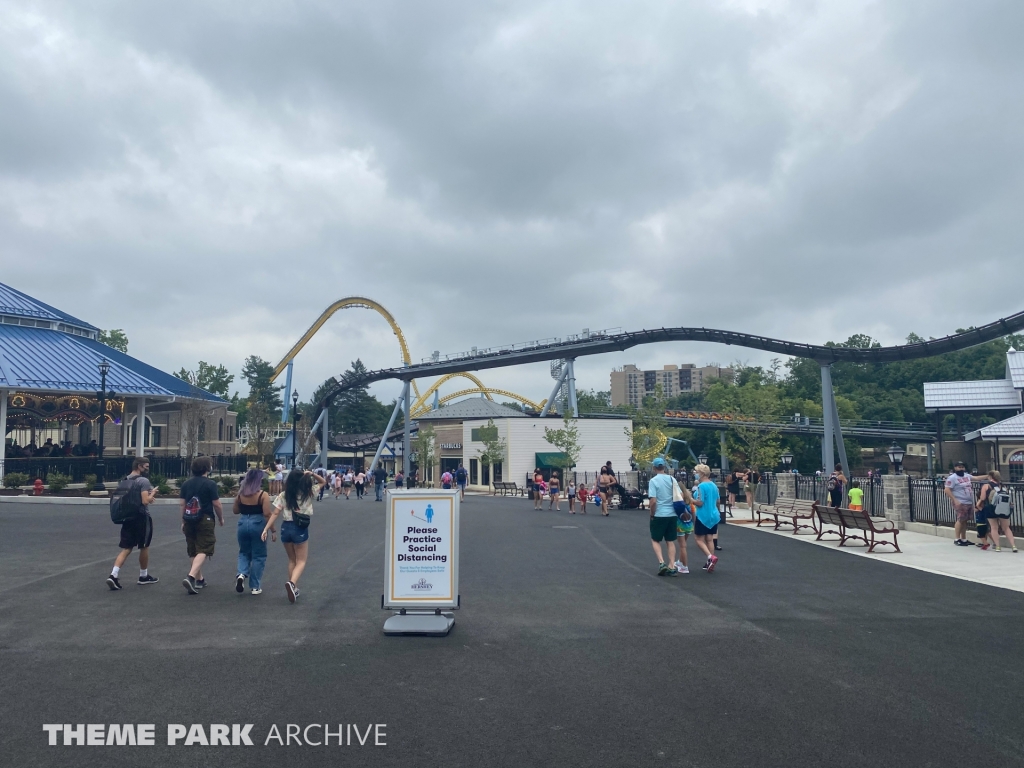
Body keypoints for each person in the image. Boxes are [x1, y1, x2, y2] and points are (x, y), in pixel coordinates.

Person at [264, 468, 327, 602]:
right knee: (302, 560)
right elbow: (323, 482)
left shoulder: (284, 495)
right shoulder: (308, 493)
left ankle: (294, 587)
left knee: (292, 560)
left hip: (285, 528)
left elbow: (275, 513)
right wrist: (311, 474)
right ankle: (292, 583)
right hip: (299, 528)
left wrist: (266, 529)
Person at [106, 457, 159, 590]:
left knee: (127, 547)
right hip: (141, 517)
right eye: (146, 466)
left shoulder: (125, 480)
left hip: (128, 517)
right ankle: (143, 576)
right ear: (139, 466)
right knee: (144, 546)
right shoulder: (144, 481)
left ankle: (113, 574)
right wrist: (152, 494)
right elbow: (145, 501)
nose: (147, 469)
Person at [179, 456, 224, 595]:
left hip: (189, 518)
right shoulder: (210, 484)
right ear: (207, 468)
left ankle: (200, 579)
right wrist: (221, 518)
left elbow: (182, 503)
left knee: (193, 549)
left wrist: (183, 520)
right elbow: (216, 504)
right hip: (204, 518)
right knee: (204, 547)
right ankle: (191, 576)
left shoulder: (186, 484)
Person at [233, 468, 275, 595]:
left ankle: (241, 574)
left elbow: (235, 511)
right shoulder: (263, 495)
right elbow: (267, 513)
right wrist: (273, 530)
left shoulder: (240, 495)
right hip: (258, 524)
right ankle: (255, 586)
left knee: (244, 552)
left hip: (242, 523)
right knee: (259, 555)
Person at [647, 458, 679, 576]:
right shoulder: (672, 479)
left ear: (654, 468)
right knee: (670, 540)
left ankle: (661, 562)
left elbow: (653, 501)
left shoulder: (653, 481)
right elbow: (679, 495)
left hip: (660, 514)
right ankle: (672, 565)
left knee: (655, 539)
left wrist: (652, 513)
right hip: (672, 514)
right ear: (664, 467)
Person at [944, 461, 984, 547]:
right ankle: (957, 539)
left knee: (965, 520)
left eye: (962, 467)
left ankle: (964, 538)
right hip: (960, 501)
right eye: (958, 467)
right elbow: (947, 489)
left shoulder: (967, 476)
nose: (960, 468)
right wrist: (955, 500)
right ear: (955, 468)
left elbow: (976, 478)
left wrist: (989, 476)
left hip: (968, 501)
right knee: (960, 519)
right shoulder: (952, 478)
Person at [691, 463, 721, 572]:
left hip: (703, 515)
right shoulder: (714, 485)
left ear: (702, 474)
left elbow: (700, 502)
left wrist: (690, 500)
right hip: (714, 515)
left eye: (696, 472)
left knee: (698, 539)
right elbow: (718, 500)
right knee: (709, 539)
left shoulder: (701, 486)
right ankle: (710, 561)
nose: (695, 474)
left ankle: (710, 557)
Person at [979, 470, 1017, 552]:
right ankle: (1013, 546)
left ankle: (998, 546)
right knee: (1006, 528)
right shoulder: (1003, 486)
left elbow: (982, 498)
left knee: (994, 527)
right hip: (1003, 508)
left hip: (991, 508)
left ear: (990, 476)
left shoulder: (987, 486)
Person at [673, 483, 696, 575]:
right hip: (689, 525)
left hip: (680, 525)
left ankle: (685, 566)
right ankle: (680, 562)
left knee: (682, 546)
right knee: (683, 544)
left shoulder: (678, 502)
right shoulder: (690, 502)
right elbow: (693, 513)